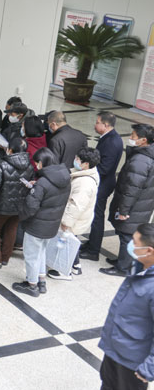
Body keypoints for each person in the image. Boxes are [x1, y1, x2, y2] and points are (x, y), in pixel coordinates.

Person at [94, 223, 154, 390]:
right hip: (115, 345)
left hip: (132, 357)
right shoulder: (140, 267)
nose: (130, 246)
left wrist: (149, 367)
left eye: (135, 243)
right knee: (109, 388)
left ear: (149, 250)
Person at [13, 148, 71, 297]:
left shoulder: (43, 183)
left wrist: (22, 215)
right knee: (41, 251)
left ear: (41, 162)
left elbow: (31, 207)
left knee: (31, 255)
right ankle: (41, 281)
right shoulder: (65, 179)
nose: (36, 166)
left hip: (37, 226)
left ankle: (32, 285)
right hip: (52, 224)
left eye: (36, 163)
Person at [101, 124, 154, 277]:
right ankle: (123, 261)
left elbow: (132, 189)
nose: (130, 138)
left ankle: (123, 268)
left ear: (143, 140)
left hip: (134, 207)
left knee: (126, 235)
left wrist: (123, 210)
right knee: (127, 234)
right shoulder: (145, 155)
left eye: (133, 136)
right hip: (141, 205)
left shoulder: (140, 160)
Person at [48, 146, 100, 281]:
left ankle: (64, 272)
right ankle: (76, 266)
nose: (75, 160)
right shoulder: (87, 174)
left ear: (86, 164)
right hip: (79, 218)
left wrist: (66, 222)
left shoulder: (84, 183)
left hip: (74, 219)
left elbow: (76, 205)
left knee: (66, 243)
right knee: (70, 241)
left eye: (78, 159)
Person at [0, 138, 33, 269]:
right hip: (20, 205)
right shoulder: (30, 165)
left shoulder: (2, 164)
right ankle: (5, 258)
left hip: (2, 205)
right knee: (11, 229)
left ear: (10, 150)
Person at [81, 112, 124, 261]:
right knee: (94, 215)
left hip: (103, 184)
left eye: (97, 122)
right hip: (103, 182)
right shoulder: (109, 137)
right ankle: (91, 243)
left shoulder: (112, 142)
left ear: (105, 125)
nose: (95, 125)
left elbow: (104, 168)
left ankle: (93, 250)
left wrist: (86, 172)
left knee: (97, 217)